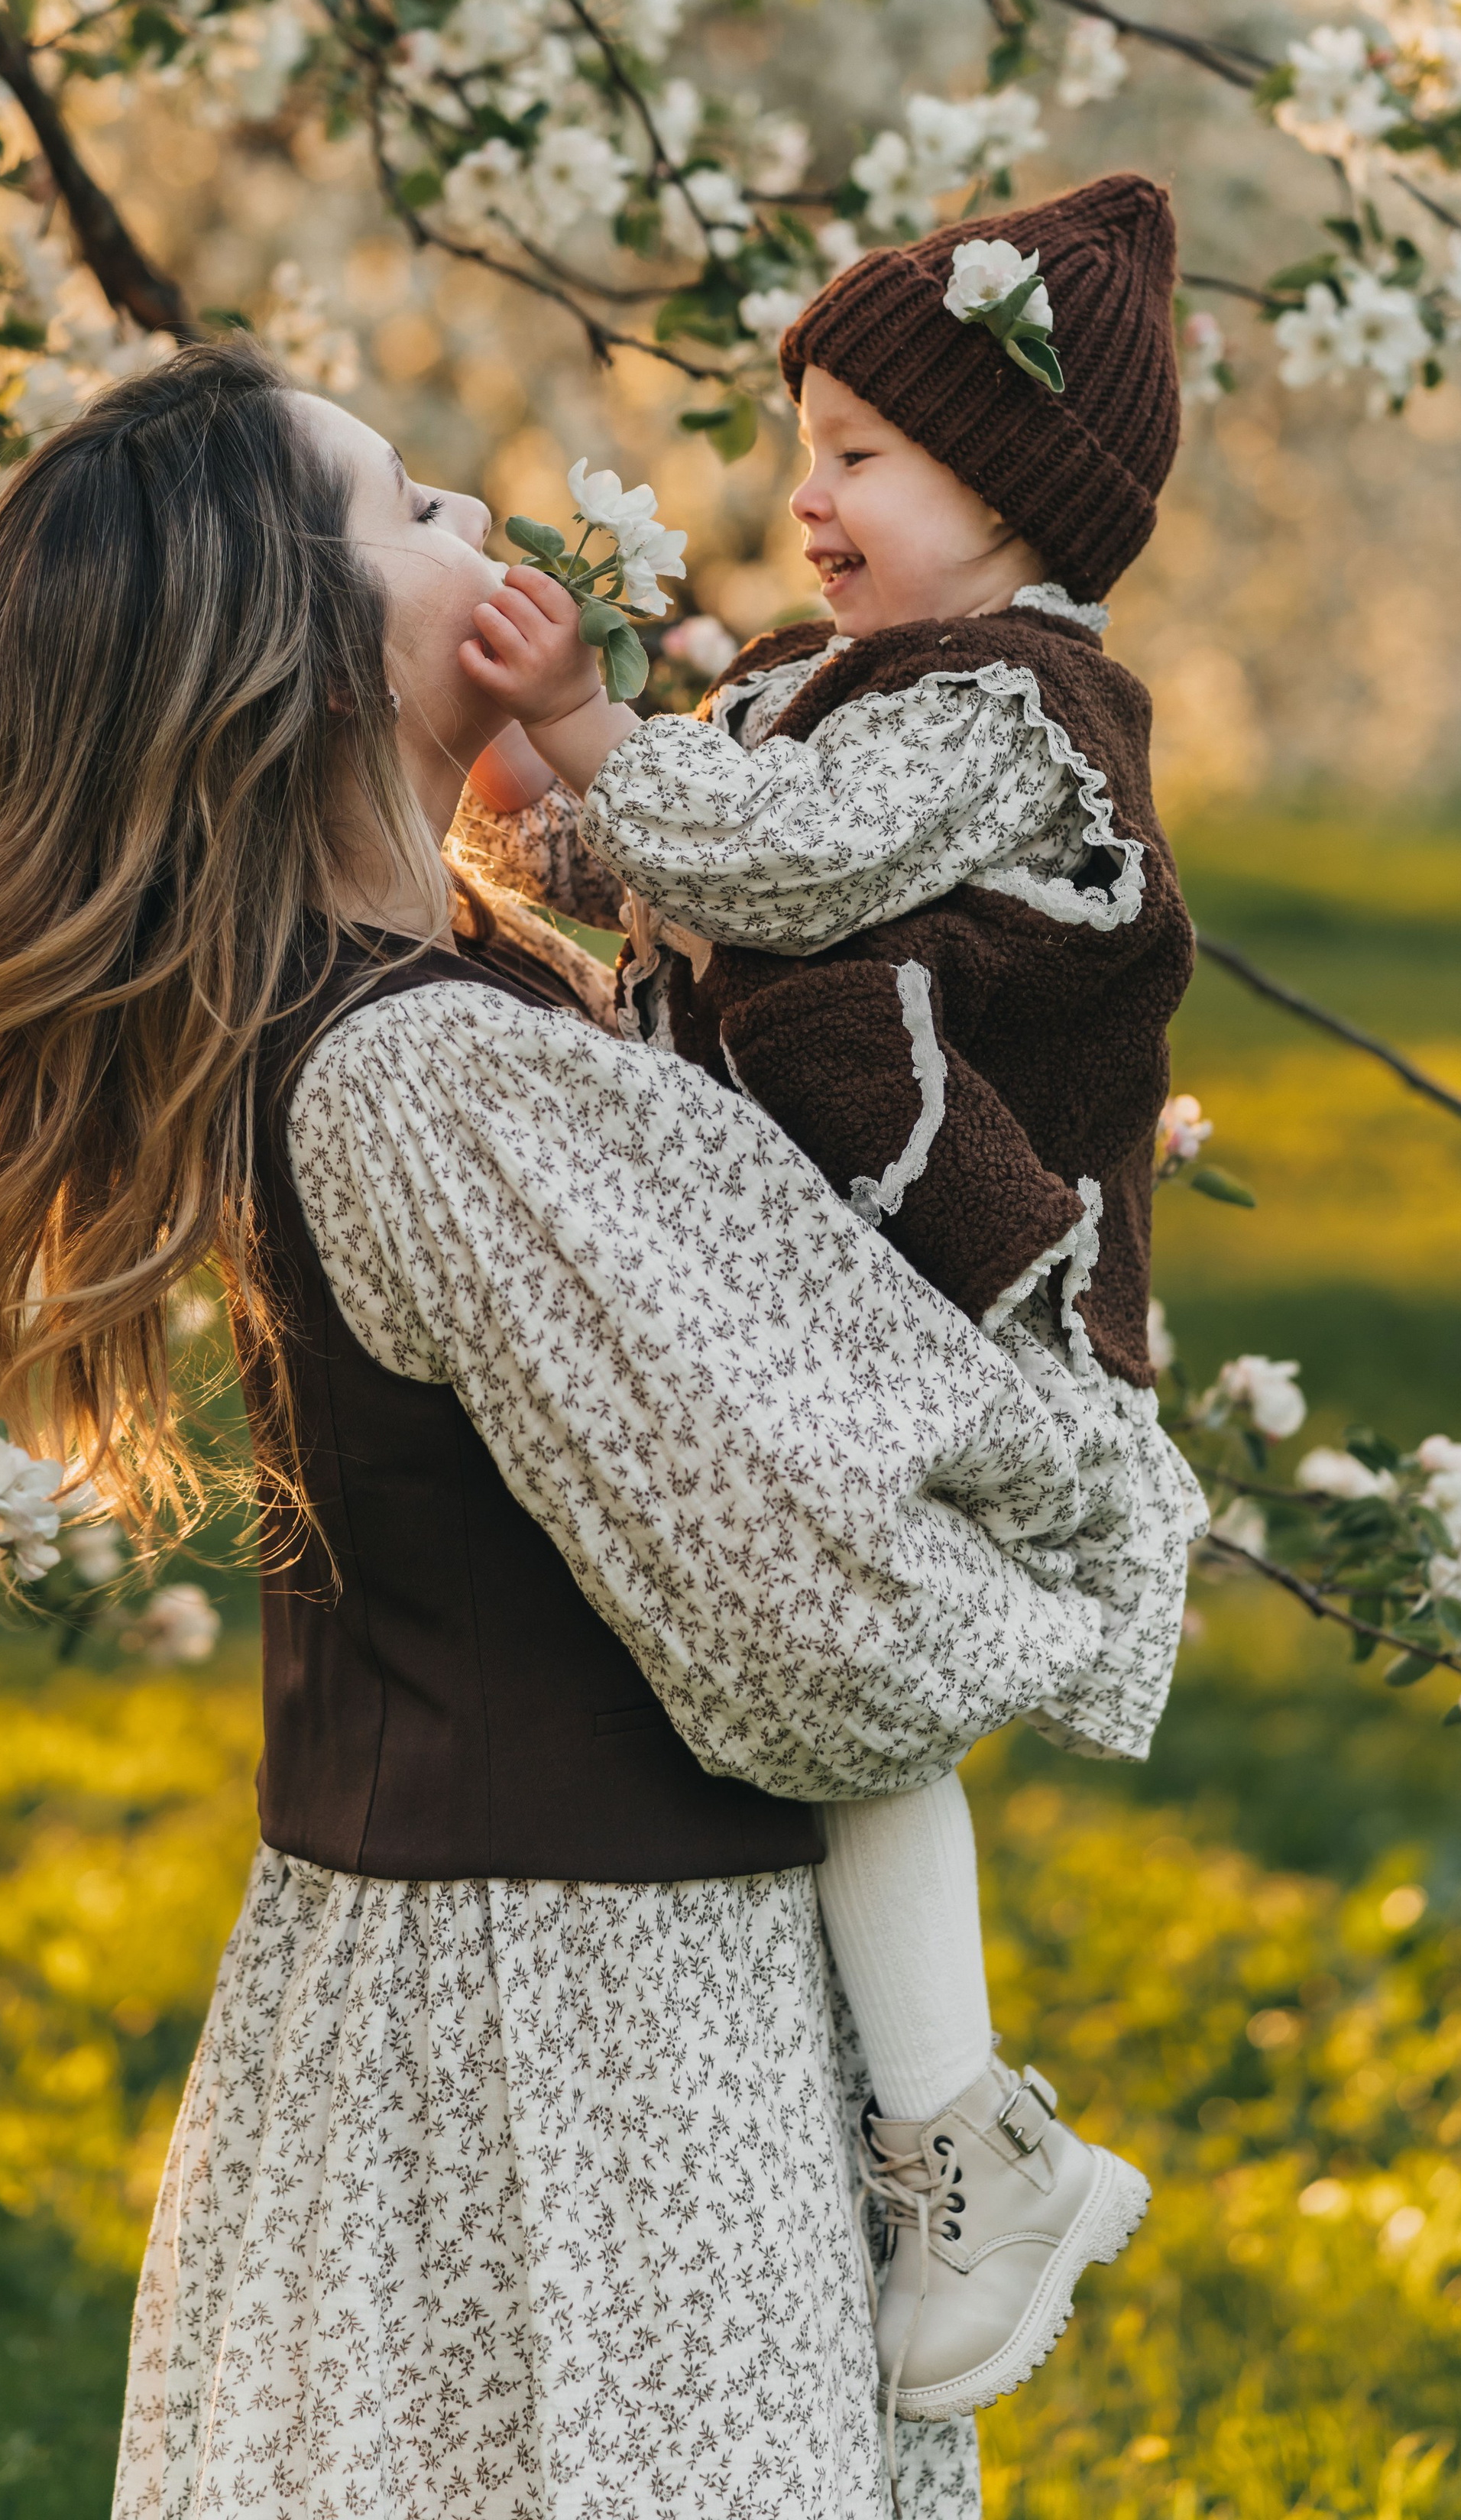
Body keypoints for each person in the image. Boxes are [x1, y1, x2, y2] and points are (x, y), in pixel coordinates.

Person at [0, 335, 1142, 2520]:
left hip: (475, 1973)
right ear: (295, 665)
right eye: (408, 509)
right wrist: (1073, 1506)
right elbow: (807, 1604)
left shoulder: (442, 1009)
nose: (481, 529)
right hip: (578, 2019)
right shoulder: (438, 1079)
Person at [455, 173, 1208, 2421]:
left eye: (866, 452)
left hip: (954, 1279)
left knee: (857, 1679)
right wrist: (513, 799)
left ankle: (972, 2138)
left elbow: (775, 862)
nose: (809, 495)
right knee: (808, 1674)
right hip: (819, 1268)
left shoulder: (1015, 711)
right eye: (811, 443)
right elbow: (664, 855)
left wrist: (601, 739)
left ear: (1019, 485)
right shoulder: (834, 687)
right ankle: (946, 2125)